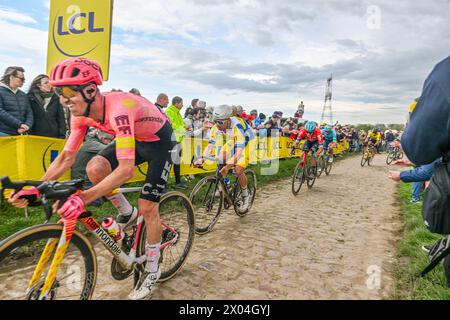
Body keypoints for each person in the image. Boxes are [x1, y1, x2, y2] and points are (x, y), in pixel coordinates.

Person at [9, 58, 174, 300]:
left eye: (67, 92)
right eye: (58, 91)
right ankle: (127, 214)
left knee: (148, 207)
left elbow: (126, 170)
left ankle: (152, 266)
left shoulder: (120, 109)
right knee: (95, 168)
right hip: (136, 139)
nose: (62, 99)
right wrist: (37, 187)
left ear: (89, 90)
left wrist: (84, 197)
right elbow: (66, 156)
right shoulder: (79, 115)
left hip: (160, 142)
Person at [193, 105, 256, 211]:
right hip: (232, 140)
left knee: (238, 169)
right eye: (216, 121)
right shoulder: (216, 127)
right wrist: (202, 158)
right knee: (221, 157)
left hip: (248, 141)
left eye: (220, 122)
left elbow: (239, 151)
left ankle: (246, 195)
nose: (217, 125)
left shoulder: (237, 126)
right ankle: (226, 183)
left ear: (228, 120)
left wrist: (228, 166)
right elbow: (210, 145)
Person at [28, 74, 67, 139]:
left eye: (50, 83)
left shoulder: (56, 98)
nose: (49, 85)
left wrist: (62, 135)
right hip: (35, 136)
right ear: (38, 85)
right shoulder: (30, 98)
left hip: (54, 136)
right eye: (46, 83)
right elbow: (28, 116)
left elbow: (61, 118)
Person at [0, 66, 33, 136]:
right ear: (11, 77)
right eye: (21, 78)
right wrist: (19, 124)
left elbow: (29, 112)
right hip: (3, 133)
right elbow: (0, 112)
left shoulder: (23, 94)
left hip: (20, 134)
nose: (24, 81)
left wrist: (26, 126)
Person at [165, 96, 188, 190]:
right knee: (168, 163)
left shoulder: (178, 112)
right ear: (177, 103)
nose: (182, 105)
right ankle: (163, 185)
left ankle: (178, 182)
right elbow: (173, 126)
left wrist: (185, 128)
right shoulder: (169, 111)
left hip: (178, 140)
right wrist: (184, 130)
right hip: (172, 140)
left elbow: (181, 124)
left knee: (177, 162)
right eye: (181, 103)